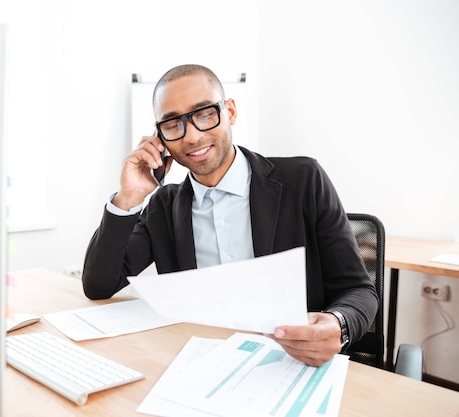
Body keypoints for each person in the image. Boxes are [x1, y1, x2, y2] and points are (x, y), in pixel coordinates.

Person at [82, 64, 378, 367]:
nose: (192, 136)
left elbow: (358, 290)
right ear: (159, 137)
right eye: (172, 124)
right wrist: (129, 197)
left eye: (205, 114)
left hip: (293, 363)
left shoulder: (302, 179)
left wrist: (337, 323)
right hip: (202, 363)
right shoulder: (164, 207)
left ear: (231, 111)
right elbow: (99, 285)